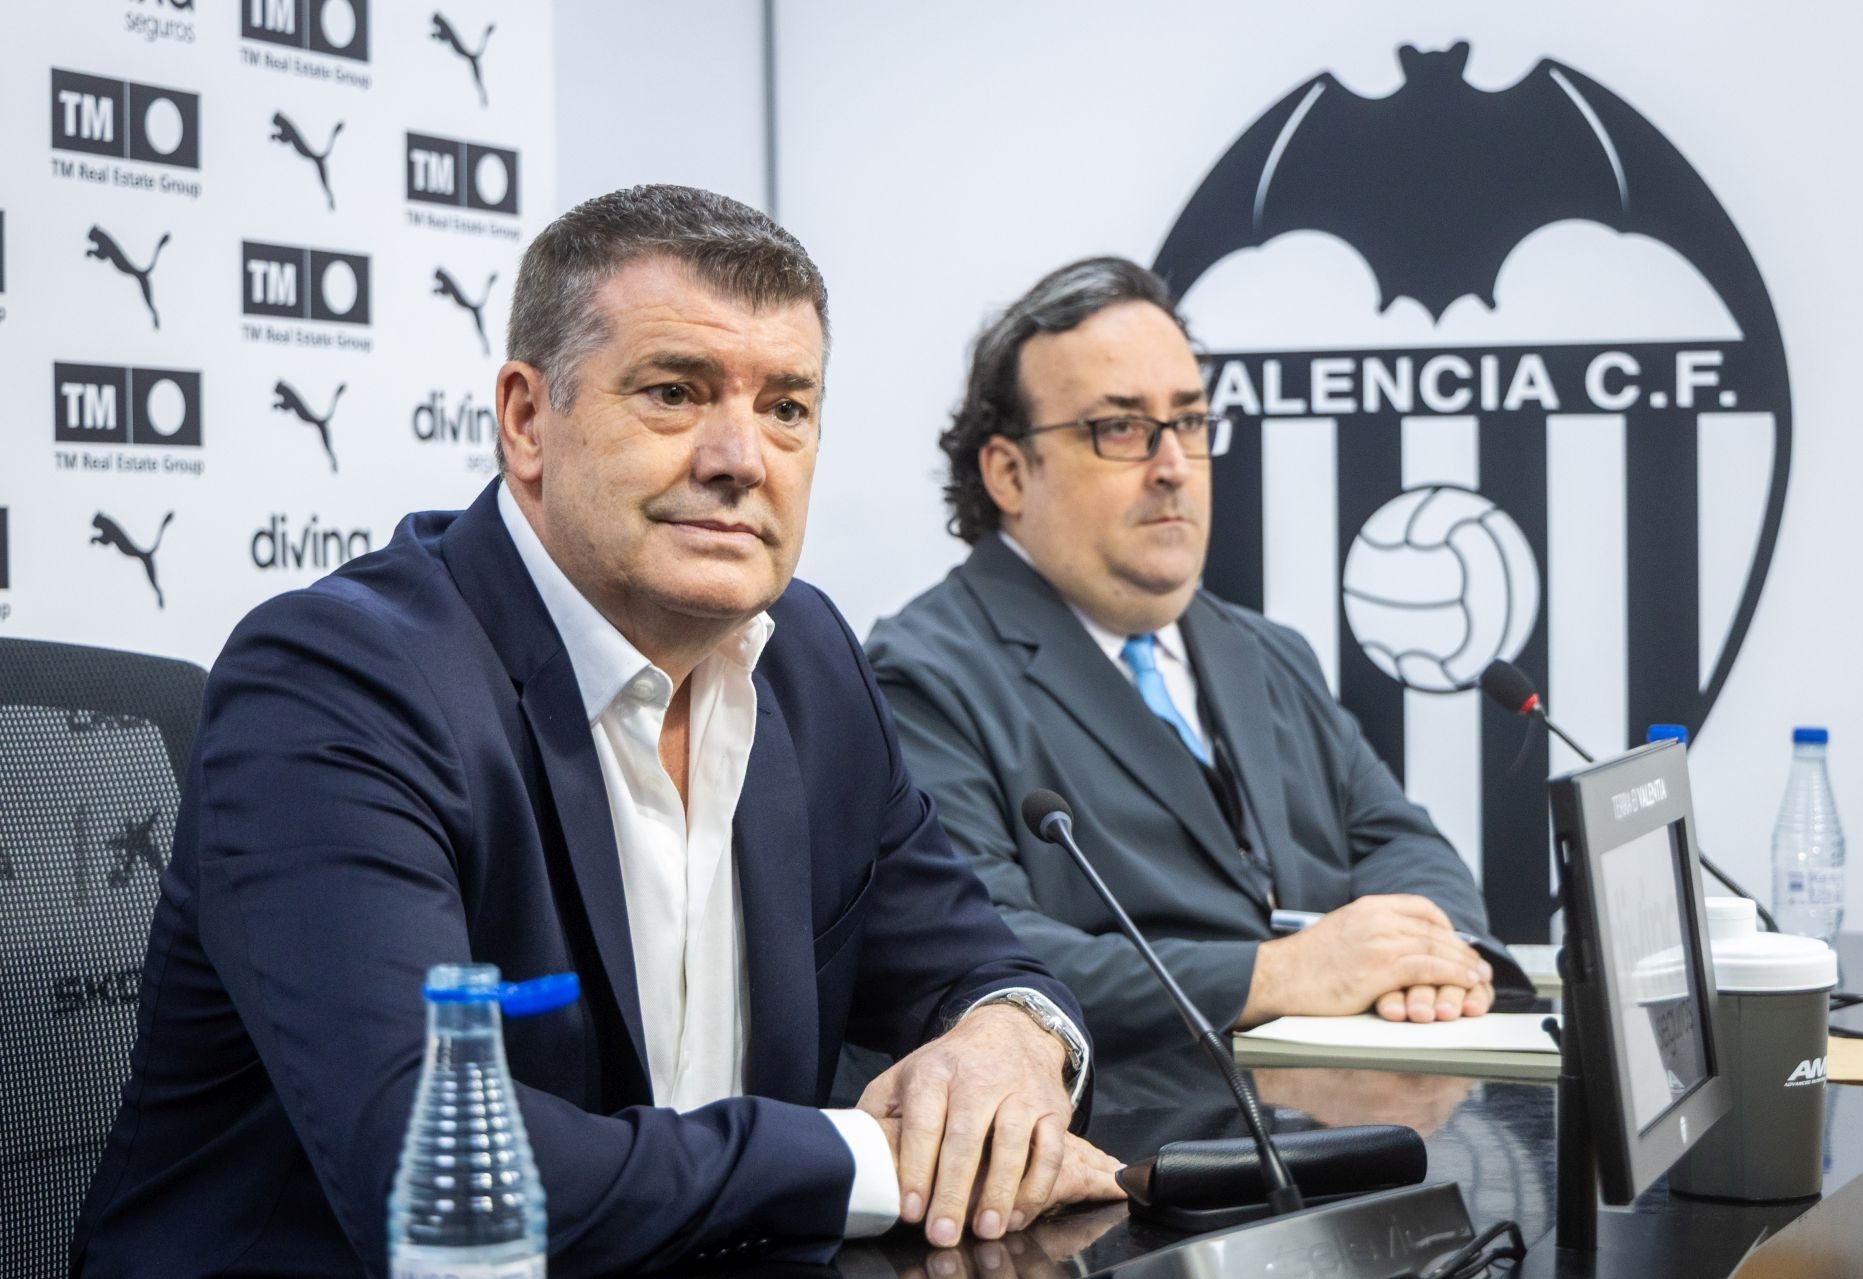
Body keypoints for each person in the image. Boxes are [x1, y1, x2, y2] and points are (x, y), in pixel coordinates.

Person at [74, 188, 1122, 1277]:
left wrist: (1015, 1036)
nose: (741, 457)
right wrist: (861, 1157)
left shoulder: (809, 658)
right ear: (528, 420)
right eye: (675, 393)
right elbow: (439, 1169)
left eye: (787, 407)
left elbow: (976, 963)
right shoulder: (335, 681)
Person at [866, 257, 1516, 1099]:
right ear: (1009, 473)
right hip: (1129, 1143)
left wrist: (1426, 956)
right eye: (1121, 428)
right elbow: (985, 958)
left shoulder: (1266, 650)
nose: (1173, 462)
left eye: (1190, 420)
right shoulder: (921, 676)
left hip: (1346, 1117)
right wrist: (1278, 974)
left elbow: (1403, 842)